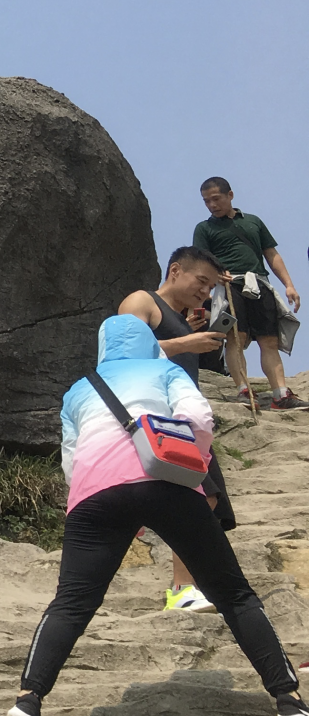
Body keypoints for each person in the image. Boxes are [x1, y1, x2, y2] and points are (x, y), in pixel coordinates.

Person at [2, 316, 307, 716]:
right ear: (149, 342)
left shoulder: (79, 389)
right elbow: (199, 417)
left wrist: (102, 498)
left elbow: (71, 459)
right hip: (167, 483)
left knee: (71, 603)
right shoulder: (165, 371)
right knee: (233, 595)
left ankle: (27, 702)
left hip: (94, 494)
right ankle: (289, 701)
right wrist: (195, 463)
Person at [119, 245, 238, 614]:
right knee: (199, 497)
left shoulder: (183, 320)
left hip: (185, 420)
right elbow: (122, 353)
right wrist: (186, 342)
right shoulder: (142, 301)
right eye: (201, 281)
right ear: (175, 271)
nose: (205, 292)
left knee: (207, 500)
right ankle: (183, 589)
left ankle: (189, 586)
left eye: (211, 287)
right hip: (156, 419)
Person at [194, 177, 304, 409]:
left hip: (259, 283)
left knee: (269, 340)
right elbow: (200, 260)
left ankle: (281, 394)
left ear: (230, 195)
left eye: (216, 199)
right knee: (236, 337)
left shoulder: (253, 221)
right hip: (230, 286)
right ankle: (243, 390)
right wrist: (215, 274)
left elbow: (271, 254)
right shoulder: (204, 228)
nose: (212, 205)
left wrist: (289, 285)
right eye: (206, 201)